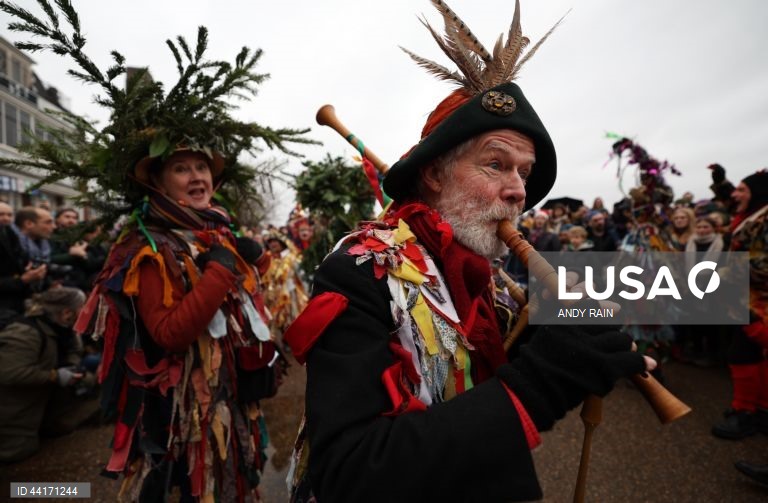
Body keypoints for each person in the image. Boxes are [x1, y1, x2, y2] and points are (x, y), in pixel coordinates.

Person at [283, 2, 653, 500]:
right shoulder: (362, 271)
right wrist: (539, 382)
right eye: (496, 165)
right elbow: (349, 472)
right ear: (433, 174)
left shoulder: (483, 276)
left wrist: (560, 347)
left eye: (524, 172)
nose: (519, 190)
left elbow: (466, 388)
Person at [0, 287, 97, 463]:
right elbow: (9, 372)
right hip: (14, 415)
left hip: (42, 404)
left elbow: (73, 352)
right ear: (67, 312)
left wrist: (71, 368)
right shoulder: (25, 333)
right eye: (83, 307)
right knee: (19, 455)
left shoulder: (63, 330)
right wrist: (54, 376)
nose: (87, 311)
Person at [712, 170, 768, 439]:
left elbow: (763, 265)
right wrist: (720, 180)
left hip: (759, 304)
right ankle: (754, 410)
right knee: (748, 353)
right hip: (744, 299)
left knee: (744, 352)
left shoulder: (764, 219)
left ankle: (747, 413)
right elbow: (728, 199)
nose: (736, 194)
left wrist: (724, 274)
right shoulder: (752, 216)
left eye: (742, 189)